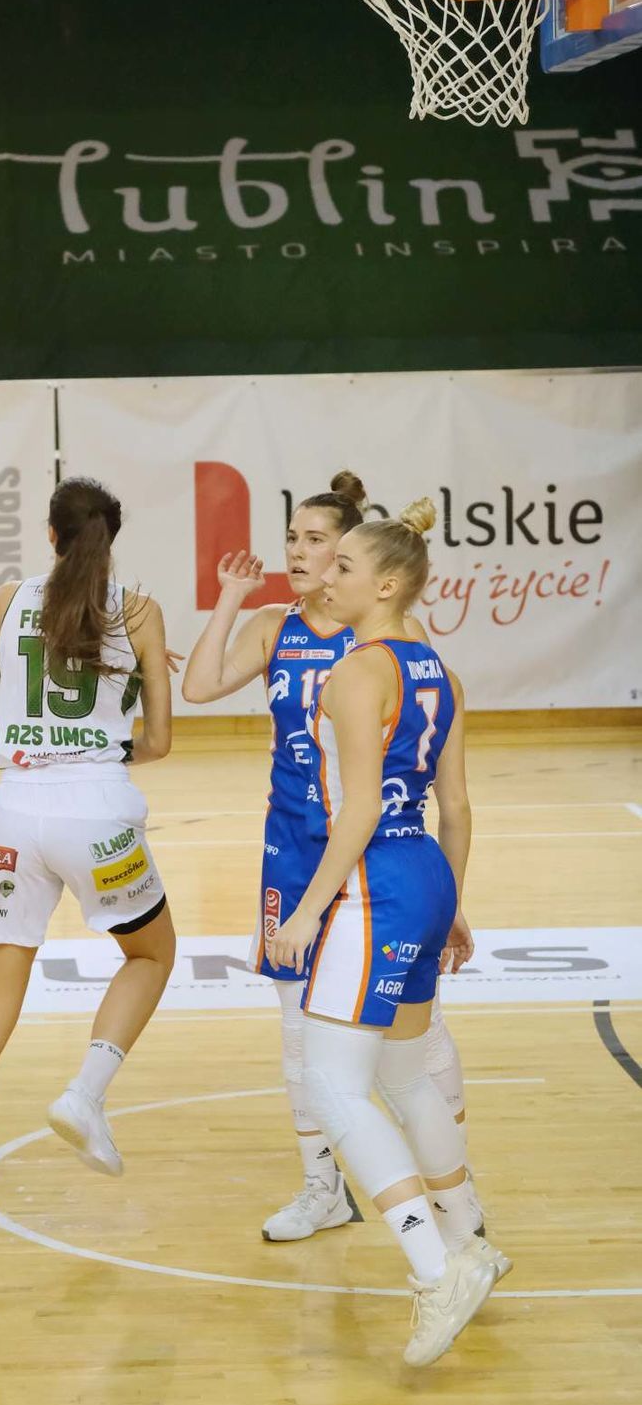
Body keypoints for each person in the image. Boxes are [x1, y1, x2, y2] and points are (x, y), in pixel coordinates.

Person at [182, 473, 476, 1245]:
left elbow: (420, 772)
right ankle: (327, 1189)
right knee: (300, 1035)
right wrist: (228, 600)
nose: (300, 553)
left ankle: (452, 1205)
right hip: (297, 851)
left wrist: (449, 894)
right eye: (294, 539)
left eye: (320, 542)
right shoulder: (277, 627)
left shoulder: (385, 643)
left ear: (359, 559)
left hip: (375, 858)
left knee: (413, 1045)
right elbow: (200, 686)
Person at [268, 500, 509, 1368]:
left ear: (387, 585)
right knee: (406, 1076)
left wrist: (308, 910)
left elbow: (362, 809)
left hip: (374, 884)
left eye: (343, 566)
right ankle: (470, 1238)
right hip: (426, 876)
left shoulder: (354, 673)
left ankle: (436, 1271)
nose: (325, 575)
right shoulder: (440, 670)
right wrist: (451, 901)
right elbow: (457, 807)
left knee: (332, 1087)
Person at [0, 476, 175, 1245]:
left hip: (15, 814)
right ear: (110, 538)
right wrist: (115, 726)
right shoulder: (141, 612)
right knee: (151, 955)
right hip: (95, 812)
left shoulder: (7, 600)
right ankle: (85, 1094)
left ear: (50, 535)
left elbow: (27, 692)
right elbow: (158, 742)